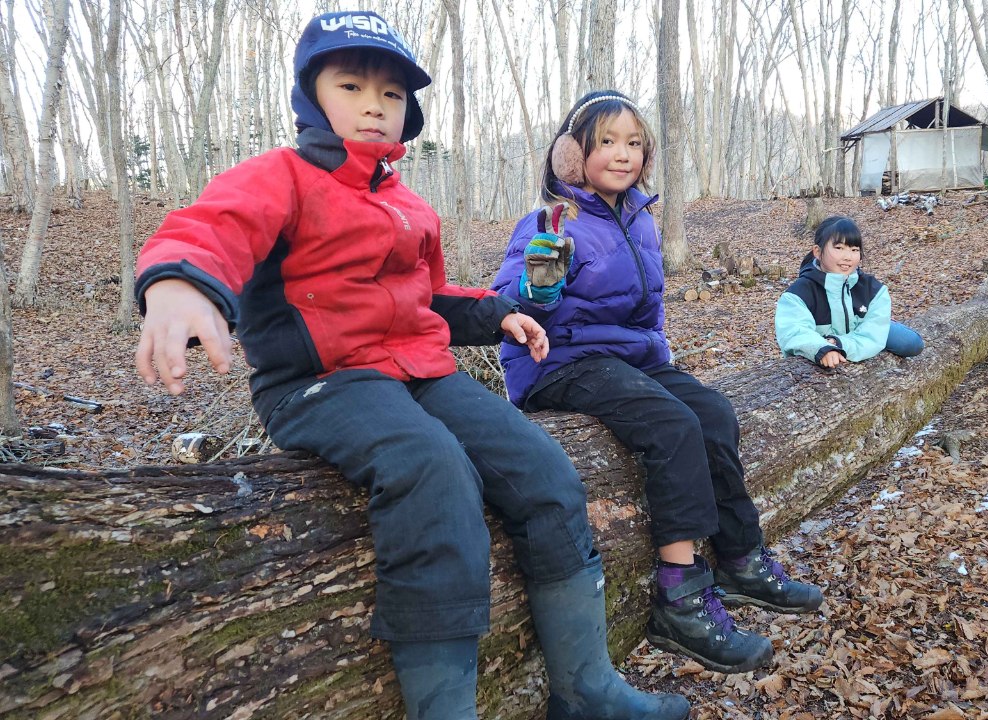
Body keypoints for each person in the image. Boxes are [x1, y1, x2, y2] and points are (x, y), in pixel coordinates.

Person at [132, 13, 688, 720]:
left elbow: (428, 295)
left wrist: (499, 314)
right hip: (321, 382)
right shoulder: (280, 176)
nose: (374, 105)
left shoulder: (407, 206)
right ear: (311, 96)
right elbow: (211, 228)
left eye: (391, 94)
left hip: (421, 372)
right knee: (432, 469)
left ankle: (586, 689)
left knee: (545, 471)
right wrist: (179, 283)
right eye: (351, 86)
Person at [492, 91, 824, 676]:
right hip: (559, 361)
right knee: (672, 425)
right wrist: (536, 288)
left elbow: (649, 310)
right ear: (572, 155)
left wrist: (659, 357)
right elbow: (510, 300)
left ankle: (741, 559)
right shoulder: (553, 220)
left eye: (634, 143)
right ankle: (681, 595)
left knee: (713, 413)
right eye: (607, 142)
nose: (623, 154)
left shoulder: (640, 218)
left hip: (630, 359)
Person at [775, 215, 924, 368]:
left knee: (911, 342)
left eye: (854, 250)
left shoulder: (872, 289)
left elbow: (872, 336)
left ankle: (884, 325)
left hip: (856, 333)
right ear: (818, 252)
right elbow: (793, 331)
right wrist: (822, 348)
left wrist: (838, 343)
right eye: (839, 248)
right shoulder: (799, 293)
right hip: (825, 340)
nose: (848, 257)